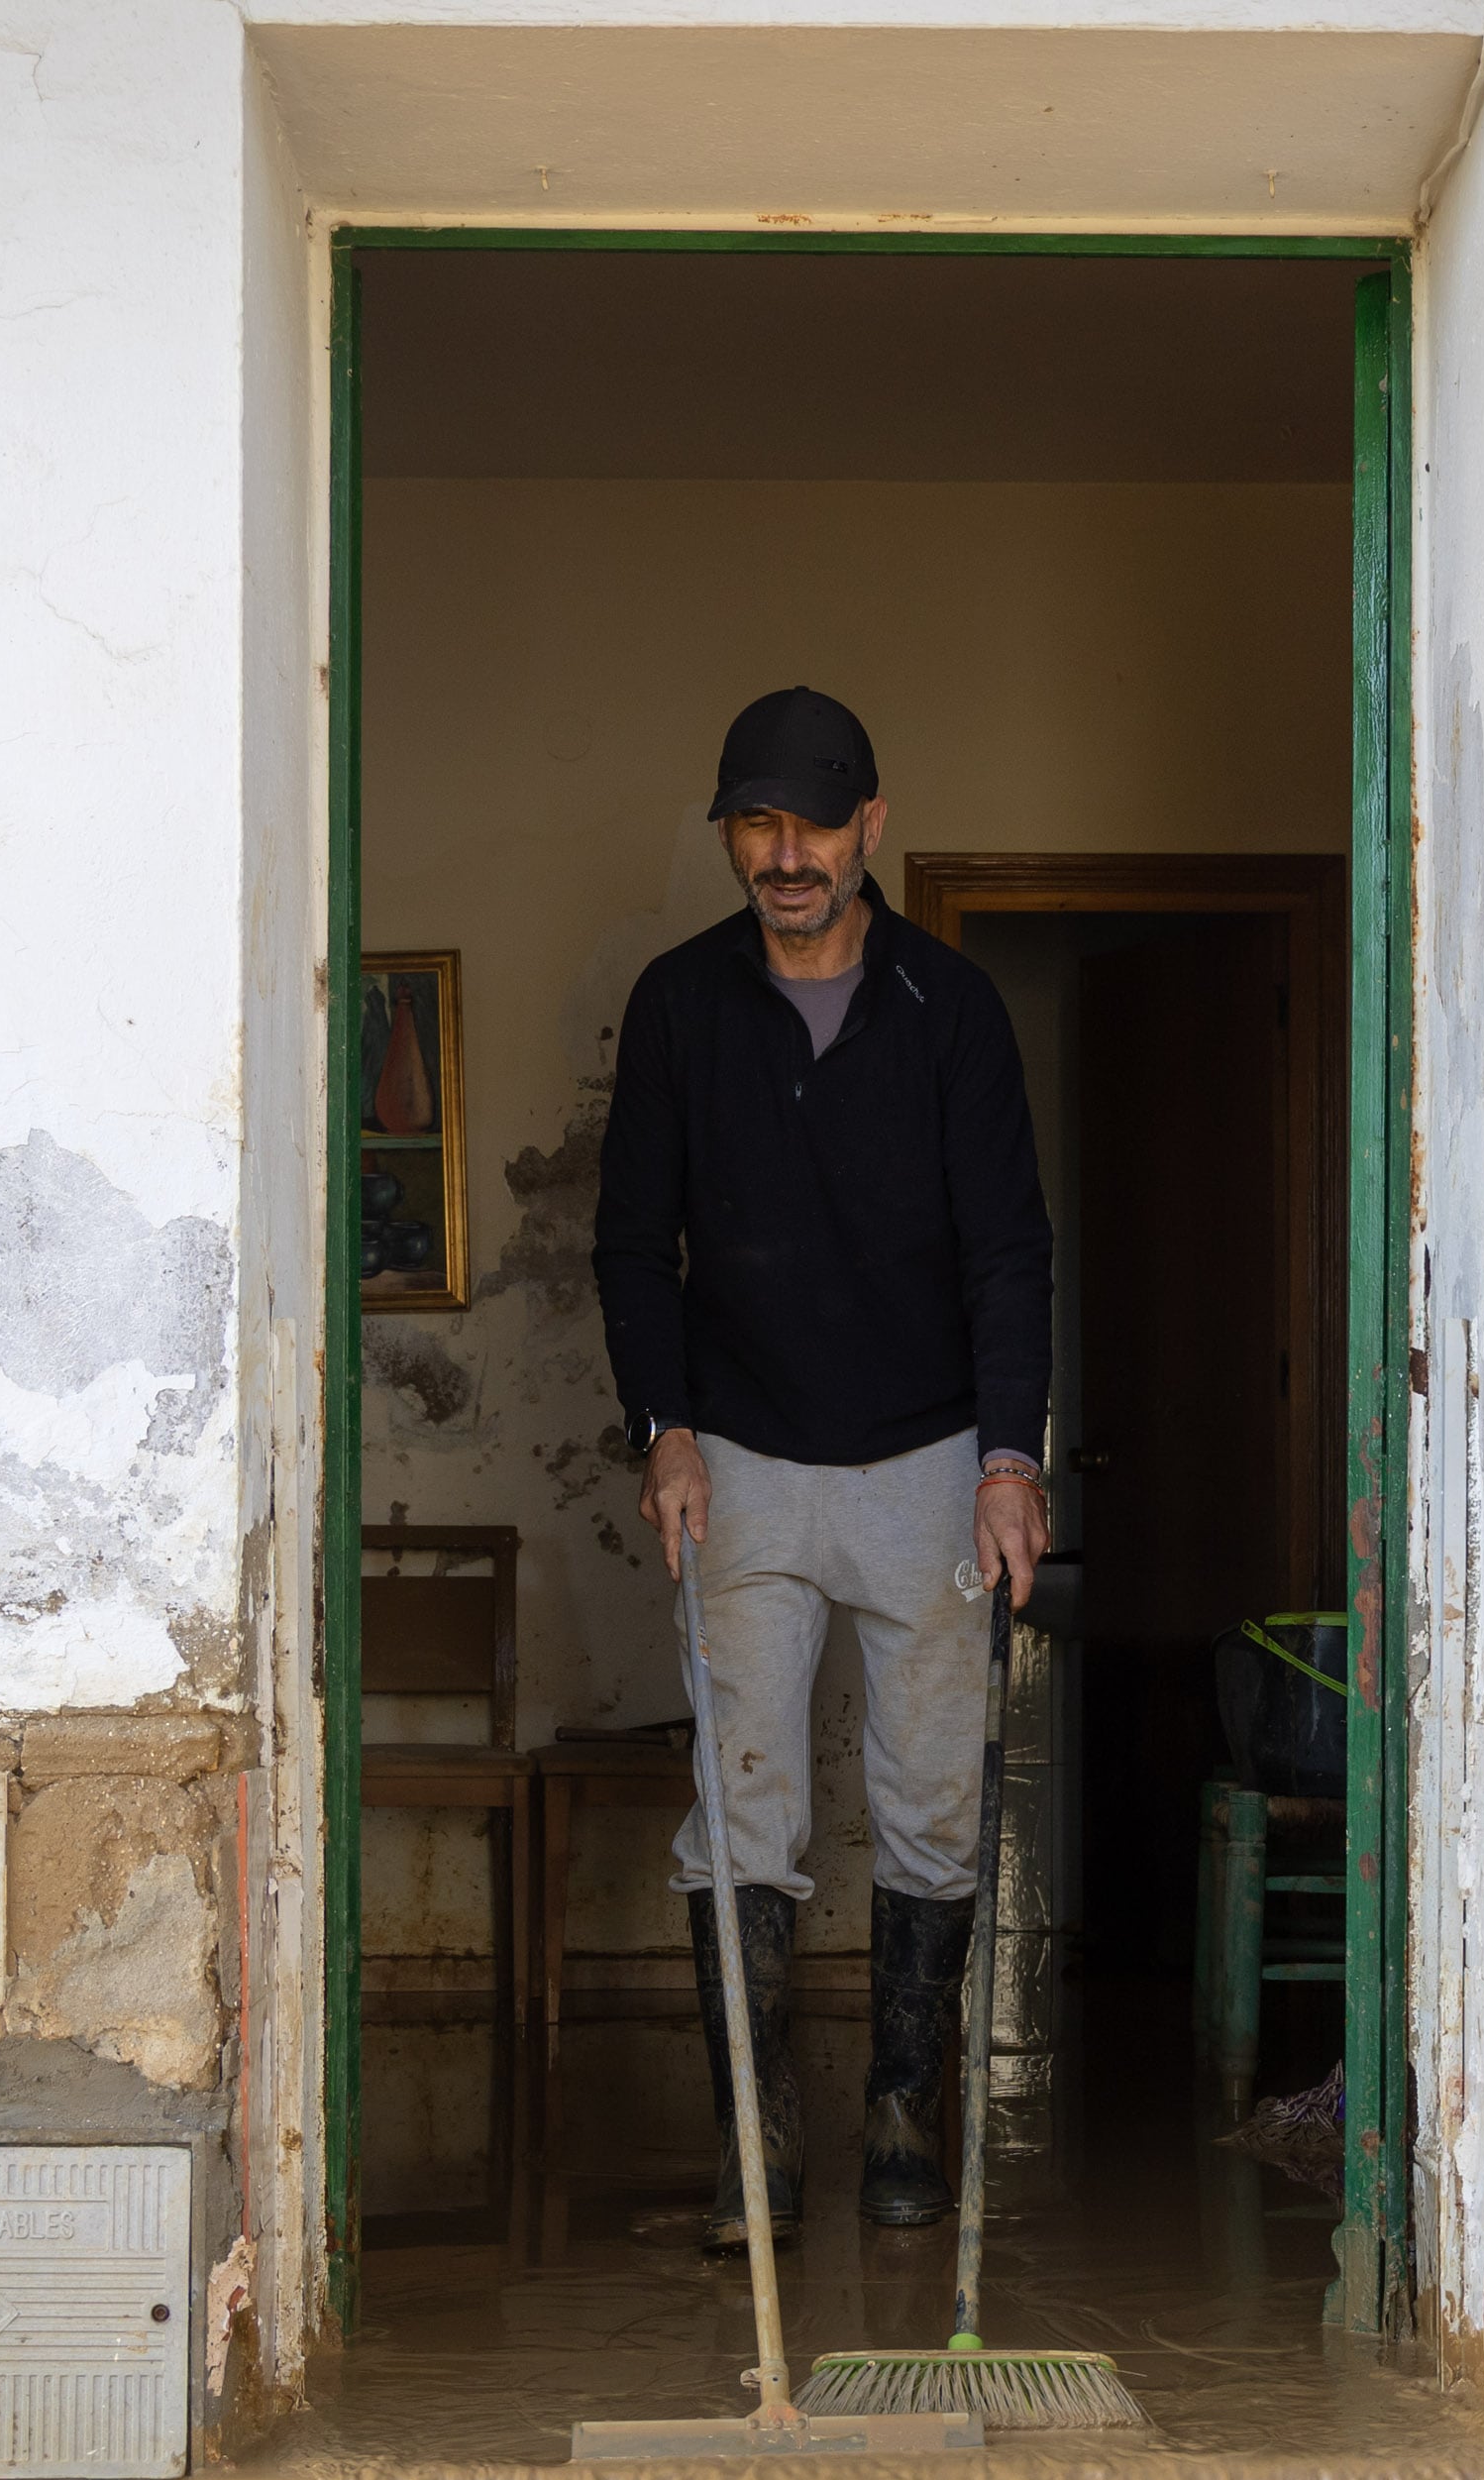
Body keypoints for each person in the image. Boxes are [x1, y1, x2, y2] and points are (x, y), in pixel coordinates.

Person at [591, 686, 1054, 2252]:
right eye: (755, 826)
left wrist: (1007, 1457)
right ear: (731, 832)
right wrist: (660, 1425)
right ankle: (757, 2142)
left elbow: (1008, 1249)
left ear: (871, 824)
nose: (784, 857)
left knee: (927, 1797)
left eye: (811, 825)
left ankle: (901, 2114)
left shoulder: (952, 1009)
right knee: (745, 1803)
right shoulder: (677, 1006)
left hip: (927, 1453)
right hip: (736, 1458)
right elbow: (626, 1244)